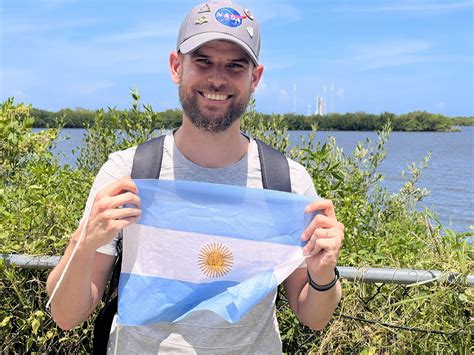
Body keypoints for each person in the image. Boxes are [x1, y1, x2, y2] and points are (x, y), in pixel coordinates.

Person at [47, 1, 344, 353]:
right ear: (177, 67)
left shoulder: (286, 182)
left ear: (255, 78)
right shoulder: (127, 174)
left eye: (235, 65)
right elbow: (66, 316)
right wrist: (85, 242)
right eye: (202, 61)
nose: (217, 78)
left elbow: (313, 316)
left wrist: (323, 272)